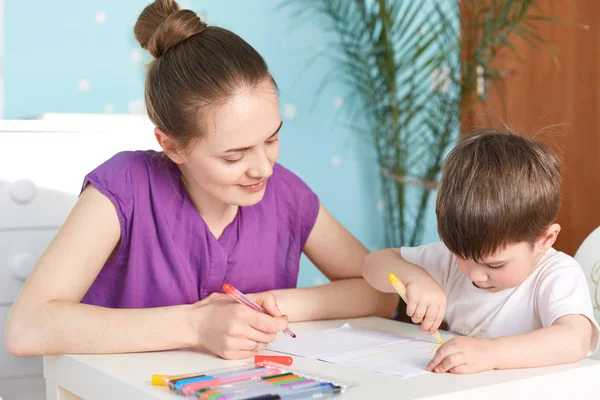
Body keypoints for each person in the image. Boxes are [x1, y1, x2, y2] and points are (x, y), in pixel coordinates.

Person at [5, 0, 396, 360]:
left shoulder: (286, 194)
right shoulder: (124, 188)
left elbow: (380, 293)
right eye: (234, 155)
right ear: (171, 146)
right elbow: (27, 328)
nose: (263, 167)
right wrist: (198, 324)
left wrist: (262, 304)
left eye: (272, 138)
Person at [363, 129, 599, 374]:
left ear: (544, 240)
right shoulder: (450, 262)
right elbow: (372, 264)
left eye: (495, 265)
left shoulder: (556, 274)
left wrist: (492, 353)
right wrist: (413, 277)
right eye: (460, 255)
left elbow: (575, 339)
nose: (475, 274)